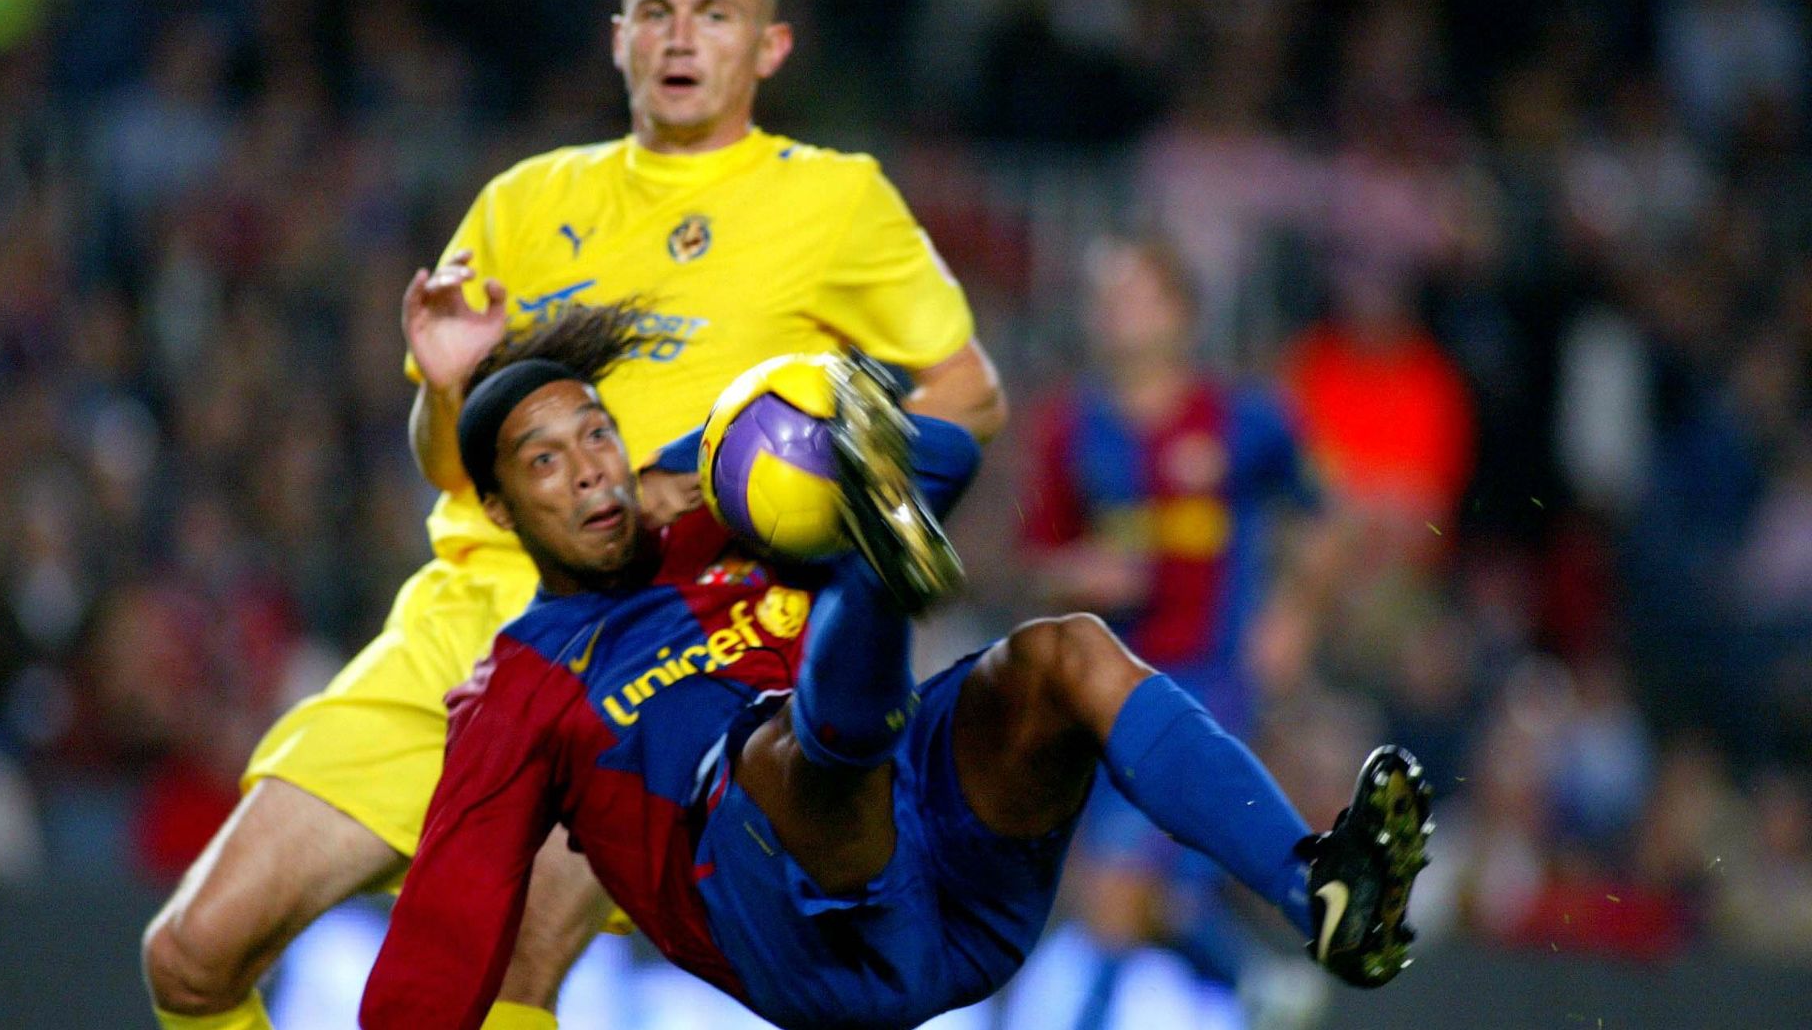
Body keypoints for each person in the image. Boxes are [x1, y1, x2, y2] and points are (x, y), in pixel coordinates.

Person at [139, 0, 1006, 1028]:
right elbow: (449, 463)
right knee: (192, 955)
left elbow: (966, 397)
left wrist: (806, 502)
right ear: (619, 39)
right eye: (657, 12)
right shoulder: (524, 201)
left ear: (769, 47)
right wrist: (450, 385)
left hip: (656, 645)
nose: (680, 37)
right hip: (464, 620)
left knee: (512, 972)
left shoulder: (836, 201)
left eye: (714, 15)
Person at [358, 304, 1432, 1030]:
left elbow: (951, 456)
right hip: (804, 935)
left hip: (953, 885)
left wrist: (724, 468)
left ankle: (1315, 889)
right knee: (775, 750)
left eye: (596, 436)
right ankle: (872, 573)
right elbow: (442, 940)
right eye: (546, 462)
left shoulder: (718, 505)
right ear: (499, 507)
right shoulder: (521, 684)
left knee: (1064, 653)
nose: (590, 473)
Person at [1019, 237, 1331, 1024]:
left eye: (1136, 296)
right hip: (1107, 688)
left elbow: (1323, 516)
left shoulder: (1243, 419)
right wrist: (1080, 573)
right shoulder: (1072, 427)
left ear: (1182, 313)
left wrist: (1294, 611)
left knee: (1116, 884)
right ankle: (1257, 985)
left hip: (1209, 681)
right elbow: (1037, 560)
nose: (1115, 314)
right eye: (1106, 298)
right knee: (1143, 894)